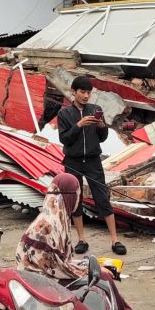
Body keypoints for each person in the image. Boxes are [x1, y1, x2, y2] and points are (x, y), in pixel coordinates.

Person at [16, 173, 155, 310]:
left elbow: (59, 263)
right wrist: (90, 269)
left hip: (44, 281)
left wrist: (90, 266)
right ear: (71, 196)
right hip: (39, 289)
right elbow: (55, 268)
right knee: (102, 281)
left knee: (101, 274)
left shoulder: (55, 217)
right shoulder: (48, 225)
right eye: (77, 194)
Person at [57, 75, 125, 256]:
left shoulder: (95, 109)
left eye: (89, 92)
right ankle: (82, 240)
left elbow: (102, 138)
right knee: (75, 200)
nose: (86, 96)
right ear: (73, 91)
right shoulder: (65, 113)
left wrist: (102, 125)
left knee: (102, 197)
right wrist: (79, 125)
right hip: (73, 161)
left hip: (94, 160)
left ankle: (115, 240)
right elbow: (64, 139)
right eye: (82, 92)